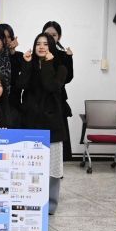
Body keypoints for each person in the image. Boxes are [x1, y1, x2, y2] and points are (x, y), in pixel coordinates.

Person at [17, 33, 67, 214]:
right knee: (30, 165)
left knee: (53, 167)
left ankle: (51, 205)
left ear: (52, 47)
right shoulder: (30, 64)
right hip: (30, 121)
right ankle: (30, 200)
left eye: (46, 44)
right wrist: (26, 64)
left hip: (52, 123)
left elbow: (50, 86)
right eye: (38, 43)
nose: (41, 47)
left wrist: (47, 64)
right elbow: (21, 85)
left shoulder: (61, 67)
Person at [43, 21, 74, 161]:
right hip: (40, 101)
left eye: (54, 35)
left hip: (57, 100)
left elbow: (68, 78)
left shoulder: (63, 54)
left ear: (59, 37)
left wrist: (69, 58)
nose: (50, 37)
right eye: (47, 34)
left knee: (58, 140)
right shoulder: (37, 52)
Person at [0, 23, 24, 111]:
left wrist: (12, 52)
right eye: (3, 36)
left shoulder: (19, 56)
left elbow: (18, 77)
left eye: (9, 37)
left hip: (13, 103)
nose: (6, 40)